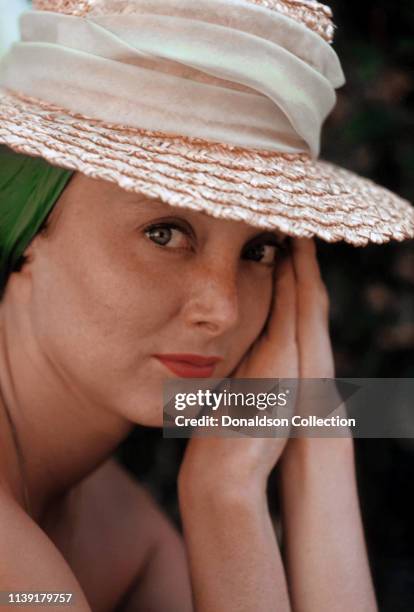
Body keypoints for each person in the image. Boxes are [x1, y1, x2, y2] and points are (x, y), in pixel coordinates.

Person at [0, 0, 413, 610]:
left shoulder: (119, 528)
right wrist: (226, 504)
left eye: (260, 249)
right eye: (165, 233)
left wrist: (312, 442)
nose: (221, 309)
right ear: (28, 225)